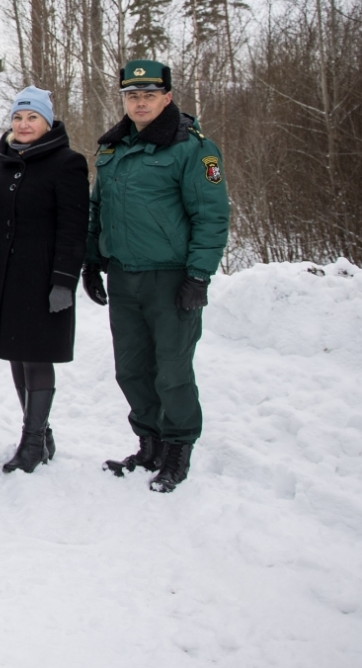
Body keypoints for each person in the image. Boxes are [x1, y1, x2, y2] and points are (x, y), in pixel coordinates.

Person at [84, 60, 229, 493]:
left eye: (149, 94)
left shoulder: (192, 149)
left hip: (171, 279)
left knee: (172, 370)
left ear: (167, 97)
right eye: (132, 95)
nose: (140, 101)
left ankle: (177, 449)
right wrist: (93, 261)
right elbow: (98, 210)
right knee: (130, 369)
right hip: (124, 278)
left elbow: (211, 215)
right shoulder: (112, 150)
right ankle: (148, 444)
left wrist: (199, 276)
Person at [0, 87, 89, 474]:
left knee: (37, 356)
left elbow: (75, 227)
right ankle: (41, 431)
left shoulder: (68, 163)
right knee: (16, 354)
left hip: (41, 279)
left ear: (48, 122)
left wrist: (64, 281)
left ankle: (33, 442)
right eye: (18, 118)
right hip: (3, 278)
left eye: (32, 118)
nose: (23, 125)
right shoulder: (5, 160)